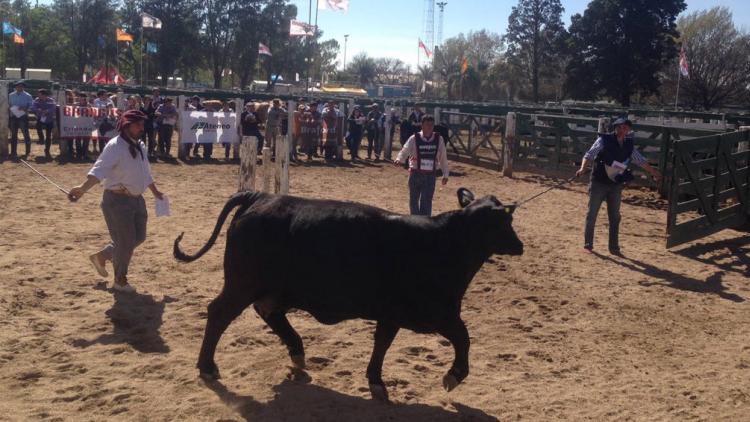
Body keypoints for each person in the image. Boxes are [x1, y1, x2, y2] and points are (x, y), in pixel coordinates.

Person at [67, 110, 165, 293]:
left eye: (142, 125)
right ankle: (120, 280)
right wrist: (82, 189)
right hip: (117, 201)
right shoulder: (114, 146)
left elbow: (145, 172)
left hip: (137, 200)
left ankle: (102, 256)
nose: (142, 128)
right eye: (138, 125)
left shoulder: (140, 145)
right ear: (127, 126)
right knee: (126, 241)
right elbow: (99, 170)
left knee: (138, 238)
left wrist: (155, 191)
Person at [576, 118, 661, 256]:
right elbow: (589, 154)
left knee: (615, 217)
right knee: (592, 214)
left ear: (628, 130)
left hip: (615, 183)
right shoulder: (603, 140)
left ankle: (614, 247)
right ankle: (588, 244)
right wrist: (582, 168)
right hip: (599, 181)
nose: (623, 130)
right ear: (615, 128)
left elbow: (641, 161)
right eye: (620, 127)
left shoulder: (629, 145)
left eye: (625, 128)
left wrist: (654, 172)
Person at [394, 115, 449, 216]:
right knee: (413, 200)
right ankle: (415, 223)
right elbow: (405, 150)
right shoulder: (414, 138)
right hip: (415, 173)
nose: (430, 127)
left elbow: (443, 157)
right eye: (427, 125)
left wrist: (445, 174)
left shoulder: (439, 139)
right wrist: (399, 159)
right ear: (422, 125)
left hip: (430, 175)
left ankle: (424, 225)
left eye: (432, 125)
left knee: (426, 201)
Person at [8, 80, 34, 159]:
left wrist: (24, 108)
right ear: (15, 87)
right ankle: (13, 152)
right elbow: (9, 104)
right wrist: (10, 108)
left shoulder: (28, 95)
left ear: (23, 87)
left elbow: (31, 106)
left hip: (23, 116)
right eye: (18, 86)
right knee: (13, 135)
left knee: (25, 134)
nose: (19, 87)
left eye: (21, 86)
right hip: (13, 116)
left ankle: (28, 151)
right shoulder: (11, 95)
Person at [31, 88, 58, 159]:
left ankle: (47, 150)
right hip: (40, 118)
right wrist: (38, 110)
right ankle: (41, 139)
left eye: (40, 95)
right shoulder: (37, 100)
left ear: (44, 95)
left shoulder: (51, 100)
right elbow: (33, 107)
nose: (38, 96)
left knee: (48, 136)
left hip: (49, 119)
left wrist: (47, 111)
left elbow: (53, 108)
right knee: (38, 127)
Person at [73, 93, 91, 161]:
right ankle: (79, 154)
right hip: (77, 124)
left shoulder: (89, 105)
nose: (82, 99)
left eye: (83, 97)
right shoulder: (75, 104)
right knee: (78, 140)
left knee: (86, 140)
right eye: (80, 97)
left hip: (86, 124)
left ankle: (85, 154)